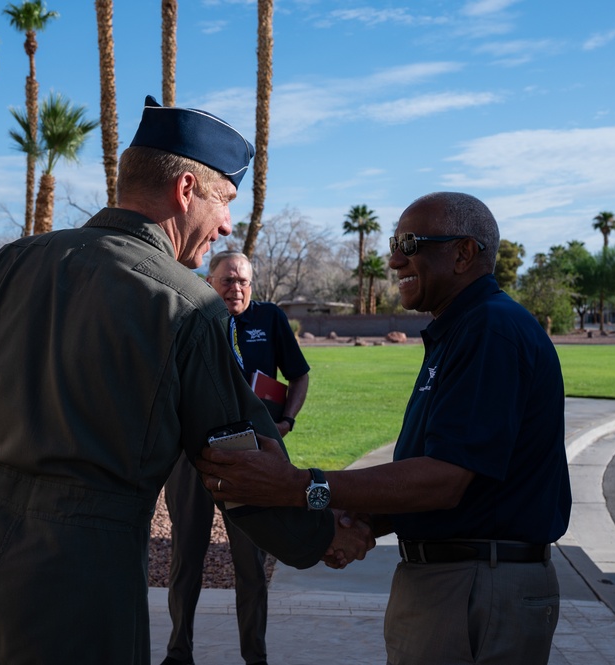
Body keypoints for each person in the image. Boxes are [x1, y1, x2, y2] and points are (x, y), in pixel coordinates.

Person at [0, 95, 372, 665]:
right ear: (186, 188)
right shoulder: (190, 306)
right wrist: (322, 535)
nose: (226, 224)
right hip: (79, 585)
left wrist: (26, 406)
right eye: (225, 201)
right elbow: (237, 466)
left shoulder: (13, 260)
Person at [199, 192, 571, 665]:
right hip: (457, 580)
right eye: (395, 243)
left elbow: (445, 479)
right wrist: (366, 523)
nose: (395, 259)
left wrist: (301, 488)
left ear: (463, 253)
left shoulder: (490, 330)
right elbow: (459, 481)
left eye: (411, 243)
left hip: (476, 587)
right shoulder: (461, 331)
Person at [162, 251, 310, 665]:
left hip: (251, 456)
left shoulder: (270, 320)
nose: (237, 288)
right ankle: (178, 652)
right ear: (209, 282)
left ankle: (255, 656)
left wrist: (287, 421)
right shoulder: (190, 318)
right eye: (228, 280)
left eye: (244, 281)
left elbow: (299, 373)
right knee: (186, 557)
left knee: (250, 561)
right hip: (194, 455)